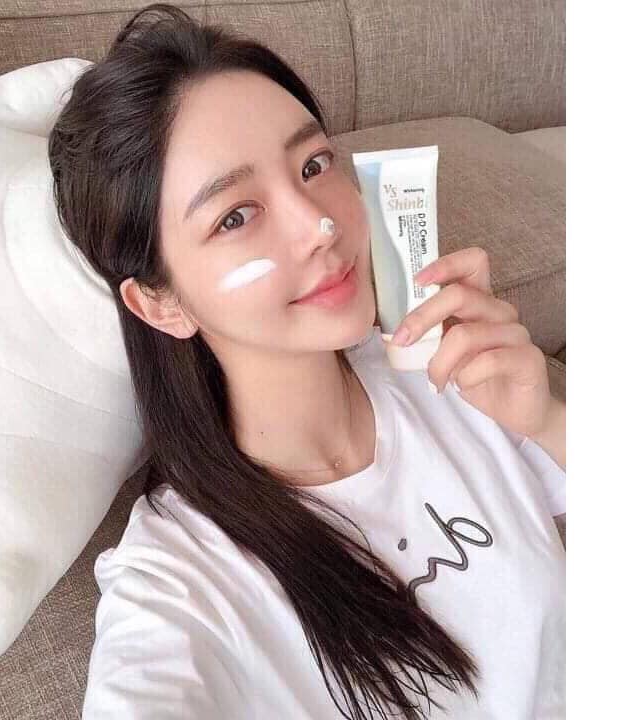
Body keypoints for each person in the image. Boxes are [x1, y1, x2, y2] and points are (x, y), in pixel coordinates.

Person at [47, 5, 566, 719]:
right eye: (235, 215)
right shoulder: (173, 581)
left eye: (313, 165)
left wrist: (549, 419)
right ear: (160, 303)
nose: (318, 224)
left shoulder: (455, 372)